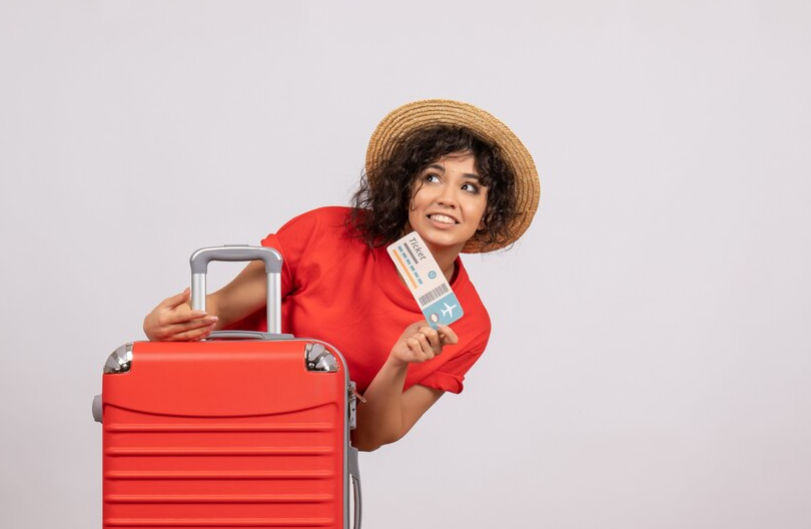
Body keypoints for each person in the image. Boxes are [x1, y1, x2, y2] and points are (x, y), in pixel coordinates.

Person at [143, 99, 540, 451]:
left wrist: (398, 362)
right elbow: (215, 310)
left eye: (470, 187)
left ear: (488, 212)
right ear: (405, 187)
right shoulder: (327, 232)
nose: (447, 198)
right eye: (432, 177)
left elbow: (367, 438)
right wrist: (161, 323)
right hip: (205, 421)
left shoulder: (468, 325)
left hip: (300, 457)